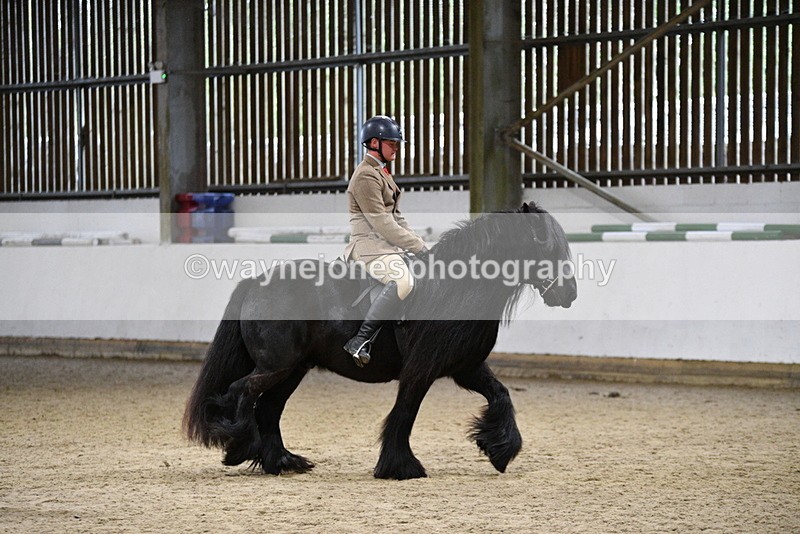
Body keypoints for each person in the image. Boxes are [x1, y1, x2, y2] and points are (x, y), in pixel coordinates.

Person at [342, 115, 428, 367]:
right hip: (369, 247)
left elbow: (397, 218)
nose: (397, 147)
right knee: (403, 281)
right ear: (374, 143)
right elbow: (382, 223)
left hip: (386, 246)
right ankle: (360, 340)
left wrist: (420, 243)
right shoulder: (365, 177)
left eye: (397, 143)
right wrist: (416, 247)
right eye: (392, 143)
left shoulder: (381, 173)